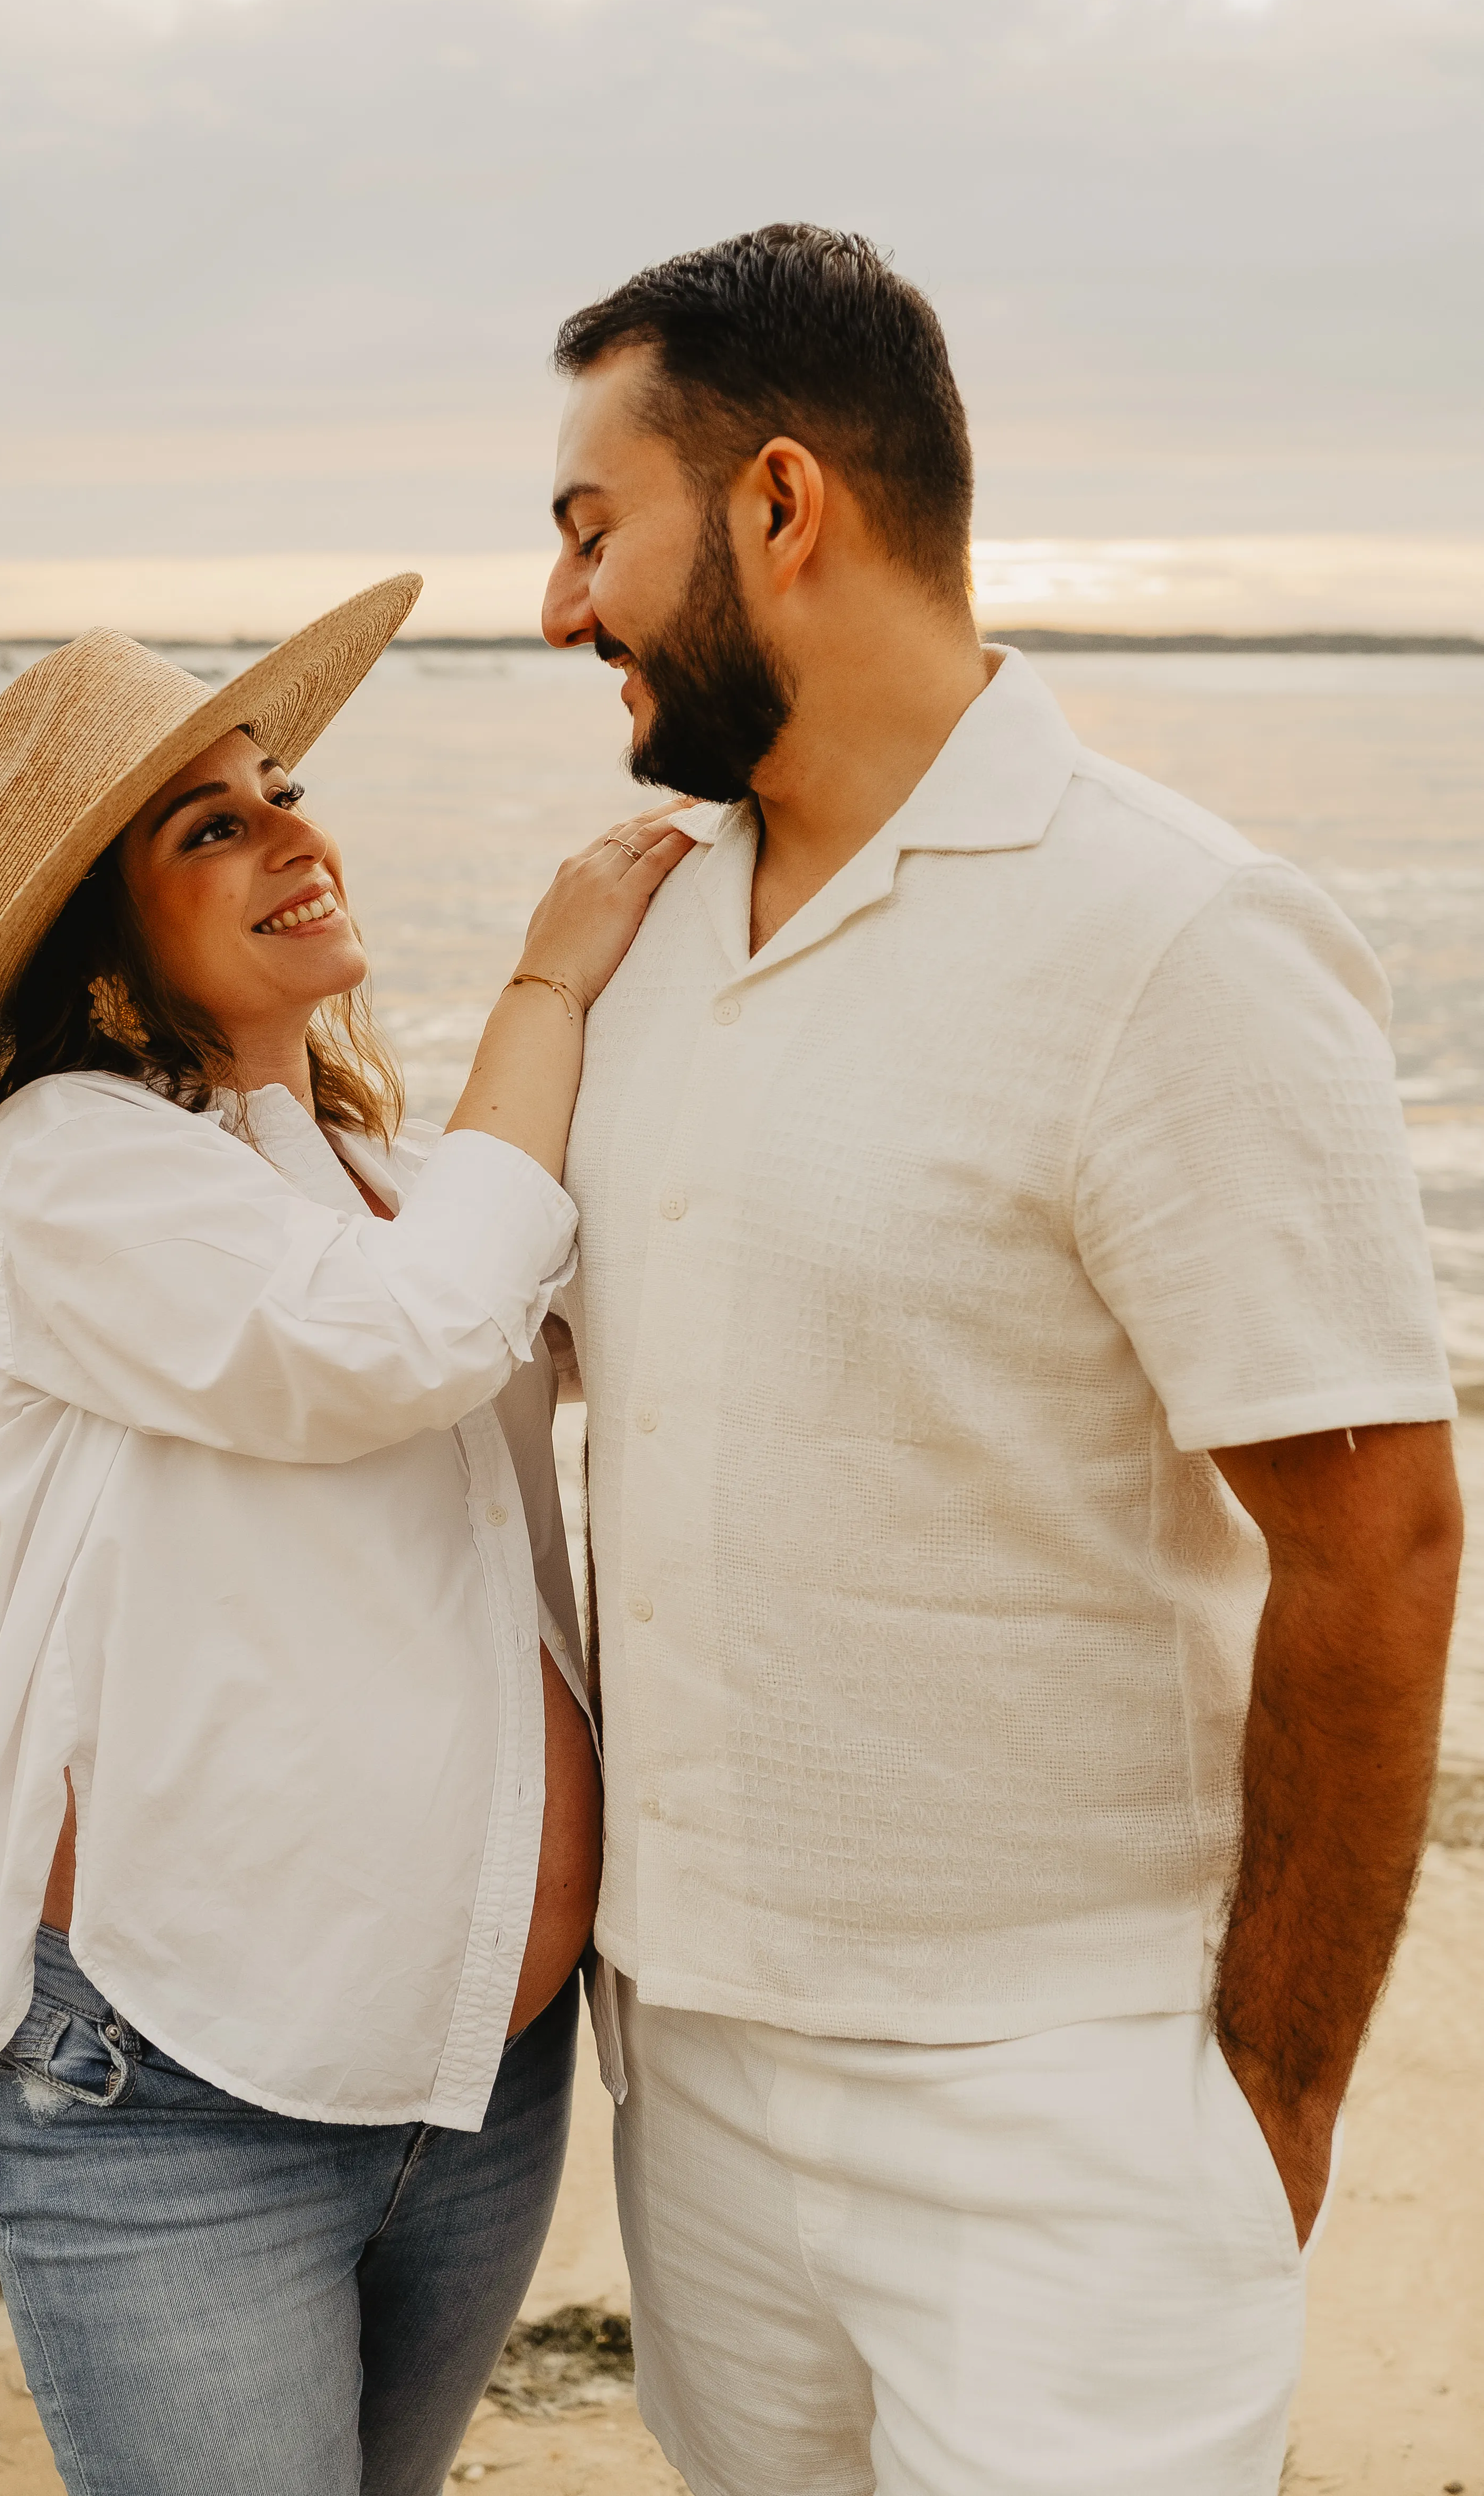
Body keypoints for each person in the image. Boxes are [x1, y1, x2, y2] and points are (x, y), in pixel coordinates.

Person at [538, 228, 1464, 2495]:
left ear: (775, 506)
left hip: (1063, 2096)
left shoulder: (1173, 932)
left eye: (588, 529)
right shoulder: (646, 924)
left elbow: (1375, 1532)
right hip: (699, 2075)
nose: (560, 605)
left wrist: (1266, 2086)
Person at [0, 576, 690, 2496]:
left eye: (284, 786)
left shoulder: (375, 1173)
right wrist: (552, 984)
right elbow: (395, 1350)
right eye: (211, 824)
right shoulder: (71, 1177)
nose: (291, 835)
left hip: (481, 2079)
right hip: (185, 2086)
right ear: (105, 939)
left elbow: (613, 1323)